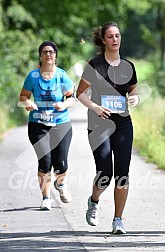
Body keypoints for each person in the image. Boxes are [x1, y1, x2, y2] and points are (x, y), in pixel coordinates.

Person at [76, 21, 140, 234]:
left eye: (117, 36)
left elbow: (133, 91)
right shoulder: (95, 65)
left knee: (123, 173)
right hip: (98, 124)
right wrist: (94, 106)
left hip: (123, 124)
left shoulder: (128, 66)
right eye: (110, 36)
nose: (115, 40)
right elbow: (80, 93)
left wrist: (135, 99)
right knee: (105, 172)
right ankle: (94, 201)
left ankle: (118, 220)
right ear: (103, 40)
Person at [19, 40, 76, 210]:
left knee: (61, 164)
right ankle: (46, 197)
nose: (48, 54)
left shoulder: (61, 76)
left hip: (61, 124)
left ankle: (60, 185)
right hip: (38, 124)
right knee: (45, 161)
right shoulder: (33, 76)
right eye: (45, 52)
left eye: (51, 51)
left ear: (55, 55)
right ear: (40, 55)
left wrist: (63, 105)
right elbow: (23, 97)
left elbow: (72, 98)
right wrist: (28, 103)